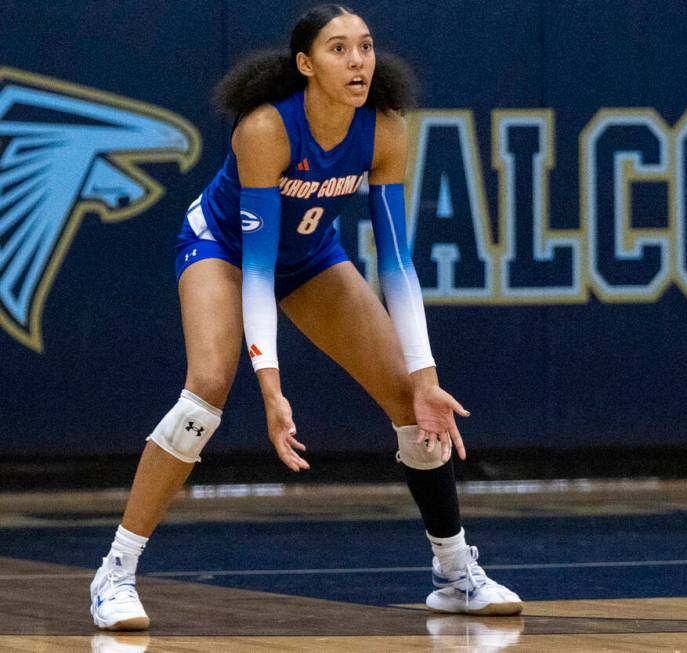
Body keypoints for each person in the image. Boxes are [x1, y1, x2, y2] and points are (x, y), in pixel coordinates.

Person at [89, 4, 522, 630]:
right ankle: (116, 572)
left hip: (312, 256)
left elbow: (398, 264)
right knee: (207, 388)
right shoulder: (266, 129)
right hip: (225, 251)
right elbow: (257, 269)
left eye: (366, 47)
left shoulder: (385, 129)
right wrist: (271, 388)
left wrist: (426, 374)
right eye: (339, 49)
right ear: (305, 64)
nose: (358, 62)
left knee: (410, 398)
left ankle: (454, 574)